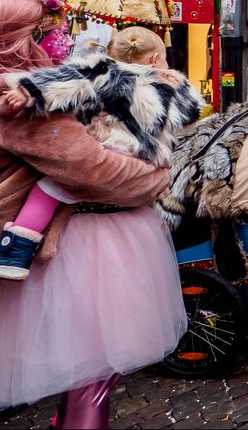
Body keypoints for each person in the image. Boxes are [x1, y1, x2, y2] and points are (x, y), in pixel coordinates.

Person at [0, 0, 182, 429]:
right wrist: (156, 179)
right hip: (64, 244)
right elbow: (90, 167)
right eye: (44, 30)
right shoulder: (16, 99)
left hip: (51, 230)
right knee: (90, 361)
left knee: (81, 364)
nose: (53, 39)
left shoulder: (34, 87)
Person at [0, 27, 204, 281]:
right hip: (144, 157)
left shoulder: (104, 71)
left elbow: (62, 80)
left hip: (109, 147)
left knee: (49, 188)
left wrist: (26, 92)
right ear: (155, 58)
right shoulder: (174, 85)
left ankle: (18, 246)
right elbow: (192, 115)